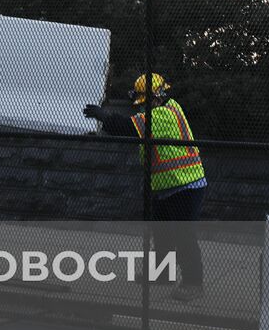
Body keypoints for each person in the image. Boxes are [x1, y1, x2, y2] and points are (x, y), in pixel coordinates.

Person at [84, 73, 206, 302]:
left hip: (185, 184)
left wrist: (104, 116)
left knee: (183, 236)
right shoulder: (163, 109)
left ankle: (193, 283)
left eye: (147, 102)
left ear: (158, 97)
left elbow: (126, 127)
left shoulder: (164, 115)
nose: (144, 107)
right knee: (161, 233)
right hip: (168, 185)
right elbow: (129, 127)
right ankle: (163, 274)